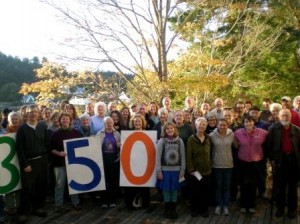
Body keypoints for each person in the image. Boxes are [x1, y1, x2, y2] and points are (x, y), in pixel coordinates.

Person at [16, 105, 49, 223]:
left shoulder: (42, 126)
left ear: (38, 113)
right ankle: (23, 212)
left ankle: (38, 208)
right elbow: (19, 149)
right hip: (29, 163)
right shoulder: (22, 129)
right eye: (31, 112)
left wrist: (47, 160)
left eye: (35, 112)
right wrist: (25, 164)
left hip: (43, 161)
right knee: (28, 188)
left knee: (41, 186)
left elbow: (47, 144)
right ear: (26, 114)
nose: (33, 114)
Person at [267, 109, 300, 219]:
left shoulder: (296, 130)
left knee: (292, 187)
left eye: (287, 116)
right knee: (279, 187)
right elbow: (268, 146)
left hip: (293, 161)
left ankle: (292, 209)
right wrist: (272, 159)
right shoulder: (273, 129)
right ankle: (280, 208)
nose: (285, 118)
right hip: (279, 162)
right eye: (283, 116)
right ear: (279, 117)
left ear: (290, 117)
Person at [234, 116, 268, 214]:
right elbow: (234, 145)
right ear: (243, 123)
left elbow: (269, 142)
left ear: (254, 122)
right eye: (246, 122)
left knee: (253, 184)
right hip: (243, 161)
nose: (248, 124)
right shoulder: (237, 133)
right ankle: (243, 205)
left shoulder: (262, 133)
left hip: (256, 162)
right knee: (244, 184)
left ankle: (252, 205)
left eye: (250, 122)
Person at [50, 112, 83, 212]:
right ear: (60, 121)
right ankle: (58, 204)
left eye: (67, 119)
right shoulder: (55, 134)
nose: (65, 120)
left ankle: (75, 202)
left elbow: (82, 146)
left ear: (70, 120)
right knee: (60, 184)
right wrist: (59, 153)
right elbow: (51, 149)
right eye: (63, 119)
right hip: (59, 163)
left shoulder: (76, 133)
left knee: (74, 183)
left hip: (74, 163)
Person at [156, 122, 185, 219]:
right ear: (164, 130)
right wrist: (158, 171)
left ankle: (173, 209)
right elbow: (158, 156)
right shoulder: (162, 141)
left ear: (174, 129)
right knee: (166, 190)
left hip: (176, 170)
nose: (170, 130)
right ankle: (167, 209)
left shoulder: (179, 141)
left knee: (174, 190)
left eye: (171, 128)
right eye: (167, 129)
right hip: (165, 170)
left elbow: (183, 156)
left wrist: (182, 170)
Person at [186, 117, 212, 218]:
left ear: (206, 126)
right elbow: (188, 155)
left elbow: (211, 152)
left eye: (204, 124)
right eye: (199, 124)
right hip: (195, 171)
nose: (201, 126)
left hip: (207, 170)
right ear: (196, 126)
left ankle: (204, 209)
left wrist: (210, 165)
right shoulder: (191, 139)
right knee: (195, 191)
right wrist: (191, 169)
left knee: (205, 191)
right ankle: (194, 209)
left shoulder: (209, 138)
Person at [124, 114, 150, 209]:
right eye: (135, 121)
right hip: (132, 162)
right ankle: (131, 204)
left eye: (139, 121)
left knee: (144, 185)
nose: (137, 123)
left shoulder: (148, 134)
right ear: (133, 123)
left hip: (144, 162)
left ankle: (144, 204)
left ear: (142, 123)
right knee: (131, 185)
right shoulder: (127, 134)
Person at [209, 118, 235, 216]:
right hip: (216, 165)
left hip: (229, 165)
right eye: (220, 125)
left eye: (224, 125)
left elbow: (237, 146)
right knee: (218, 187)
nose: (222, 126)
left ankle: (225, 206)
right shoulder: (212, 136)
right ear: (217, 125)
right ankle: (219, 205)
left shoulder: (232, 135)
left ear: (227, 125)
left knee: (227, 187)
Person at [97, 117, 120, 209]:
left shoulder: (117, 134)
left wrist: (119, 146)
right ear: (104, 124)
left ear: (113, 123)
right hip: (102, 159)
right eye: (107, 123)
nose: (109, 124)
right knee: (103, 181)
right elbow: (95, 146)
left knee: (113, 181)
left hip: (114, 160)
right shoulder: (99, 133)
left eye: (110, 122)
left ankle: (113, 200)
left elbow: (121, 147)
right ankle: (104, 201)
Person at [3, 112, 22, 217]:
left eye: (16, 118)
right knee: (10, 184)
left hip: (20, 161)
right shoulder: (4, 133)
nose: (14, 121)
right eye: (12, 119)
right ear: (9, 120)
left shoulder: (23, 131)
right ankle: (10, 207)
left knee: (19, 184)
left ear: (19, 119)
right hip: (9, 162)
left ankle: (18, 205)